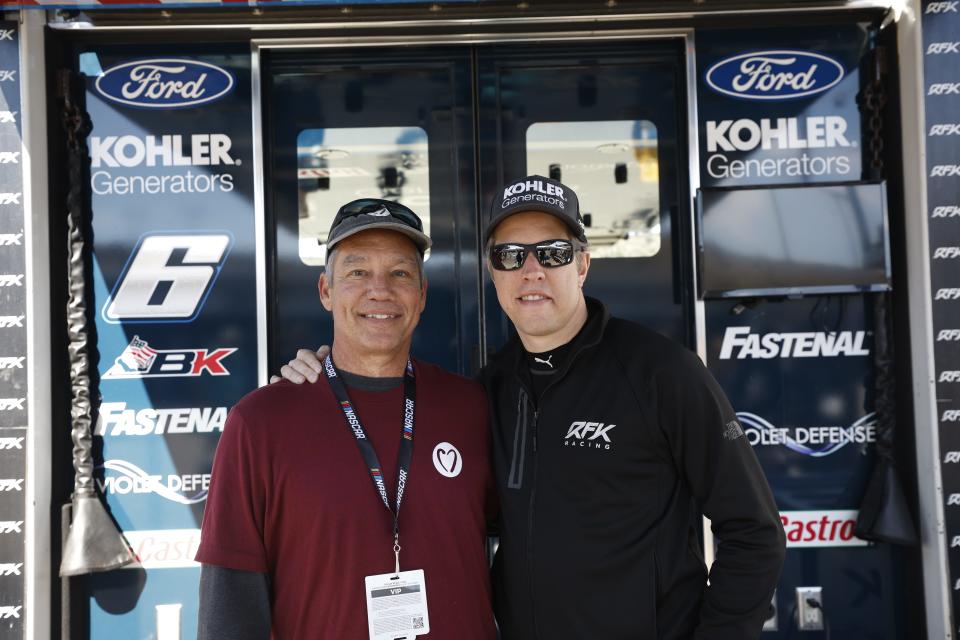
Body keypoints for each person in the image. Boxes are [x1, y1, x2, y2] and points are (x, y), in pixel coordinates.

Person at [280, 176, 787, 640]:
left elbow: (754, 532)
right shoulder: (487, 391)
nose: (531, 271)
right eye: (510, 255)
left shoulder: (661, 373)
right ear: (492, 273)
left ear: (583, 264)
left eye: (552, 252)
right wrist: (326, 376)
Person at [196, 199, 497, 639]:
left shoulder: (471, 407)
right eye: (357, 272)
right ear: (325, 291)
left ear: (422, 295)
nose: (380, 290)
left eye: (400, 273)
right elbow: (230, 601)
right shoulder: (260, 423)